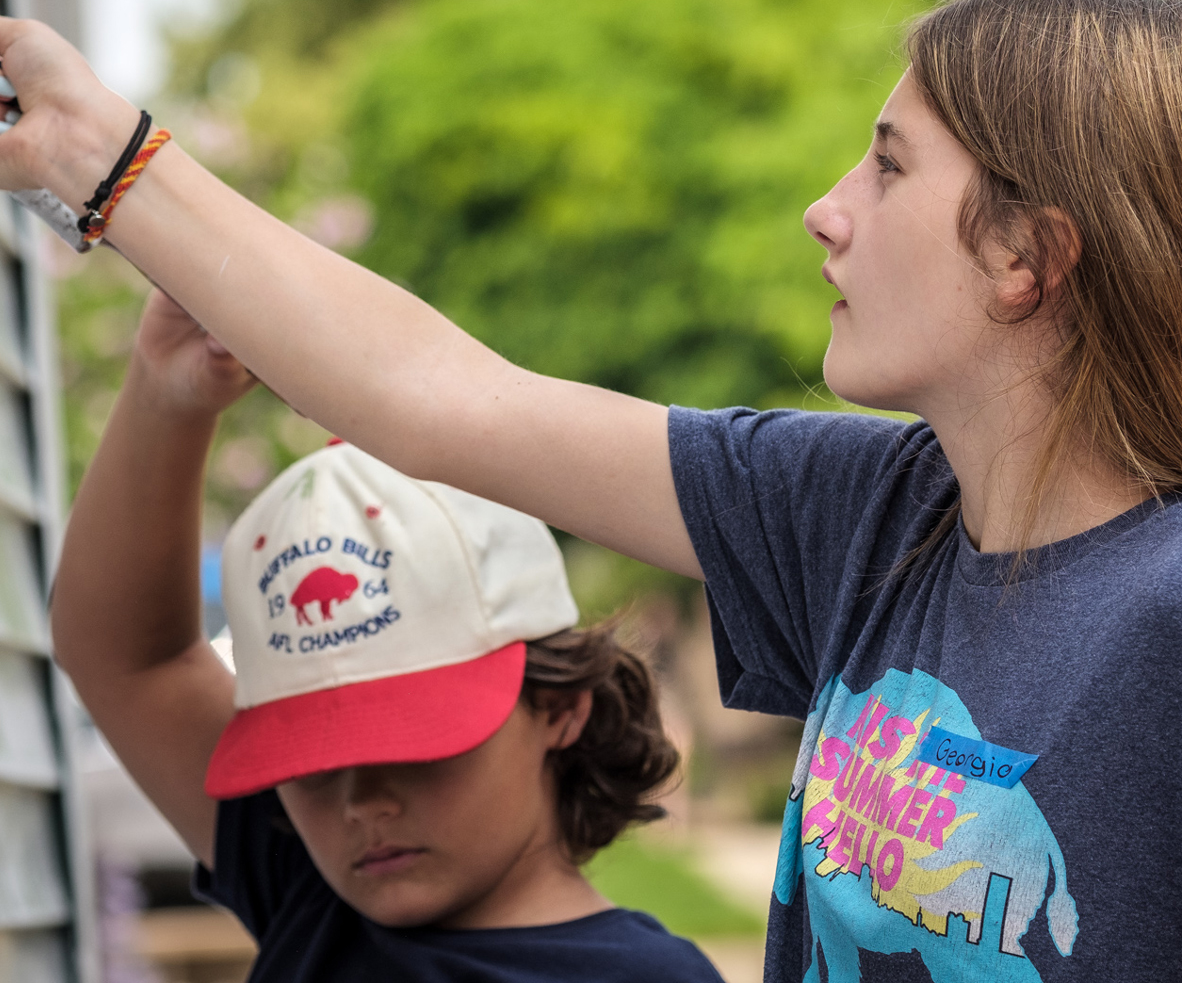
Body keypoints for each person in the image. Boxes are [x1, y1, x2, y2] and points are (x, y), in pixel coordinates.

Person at [0, 0, 1182, 981]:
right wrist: (114, 163)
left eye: (889, 163)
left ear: (1029, 256)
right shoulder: (871, 511)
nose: (828, 208)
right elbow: (445, 399)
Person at [55, 286, 723, 982]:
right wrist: (167, 393)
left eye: (416, 746)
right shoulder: (310, 892)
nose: (361, 804)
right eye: (309, 767)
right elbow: (122, 660)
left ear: (557, 706)